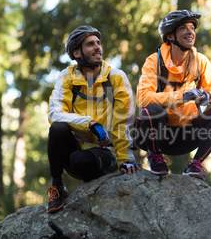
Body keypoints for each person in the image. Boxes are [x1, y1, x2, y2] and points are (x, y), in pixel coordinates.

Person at [45, 25, 141, 213]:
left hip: (105, 152)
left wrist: (125, 160)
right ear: (77, 53)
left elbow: (123, 122)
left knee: (79, 160)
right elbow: (55, 112)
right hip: (74, 149)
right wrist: (90, 122)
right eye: (90, 44)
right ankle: (57, 187)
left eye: (98, 43)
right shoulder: (66, 77)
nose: (98, 47)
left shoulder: (116, 78)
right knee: (57, 128)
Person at [134, 10, 211, 181]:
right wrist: (182, 97)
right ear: (170, 36)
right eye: (183, 28)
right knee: (152, 109)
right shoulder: (154, 61)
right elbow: (142, 98)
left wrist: (208, 96)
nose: (190, 32)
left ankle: (196, 163)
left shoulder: (200, 61)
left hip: (188, 137)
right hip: (157, 136)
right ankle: (154, 155)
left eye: (192, 28)